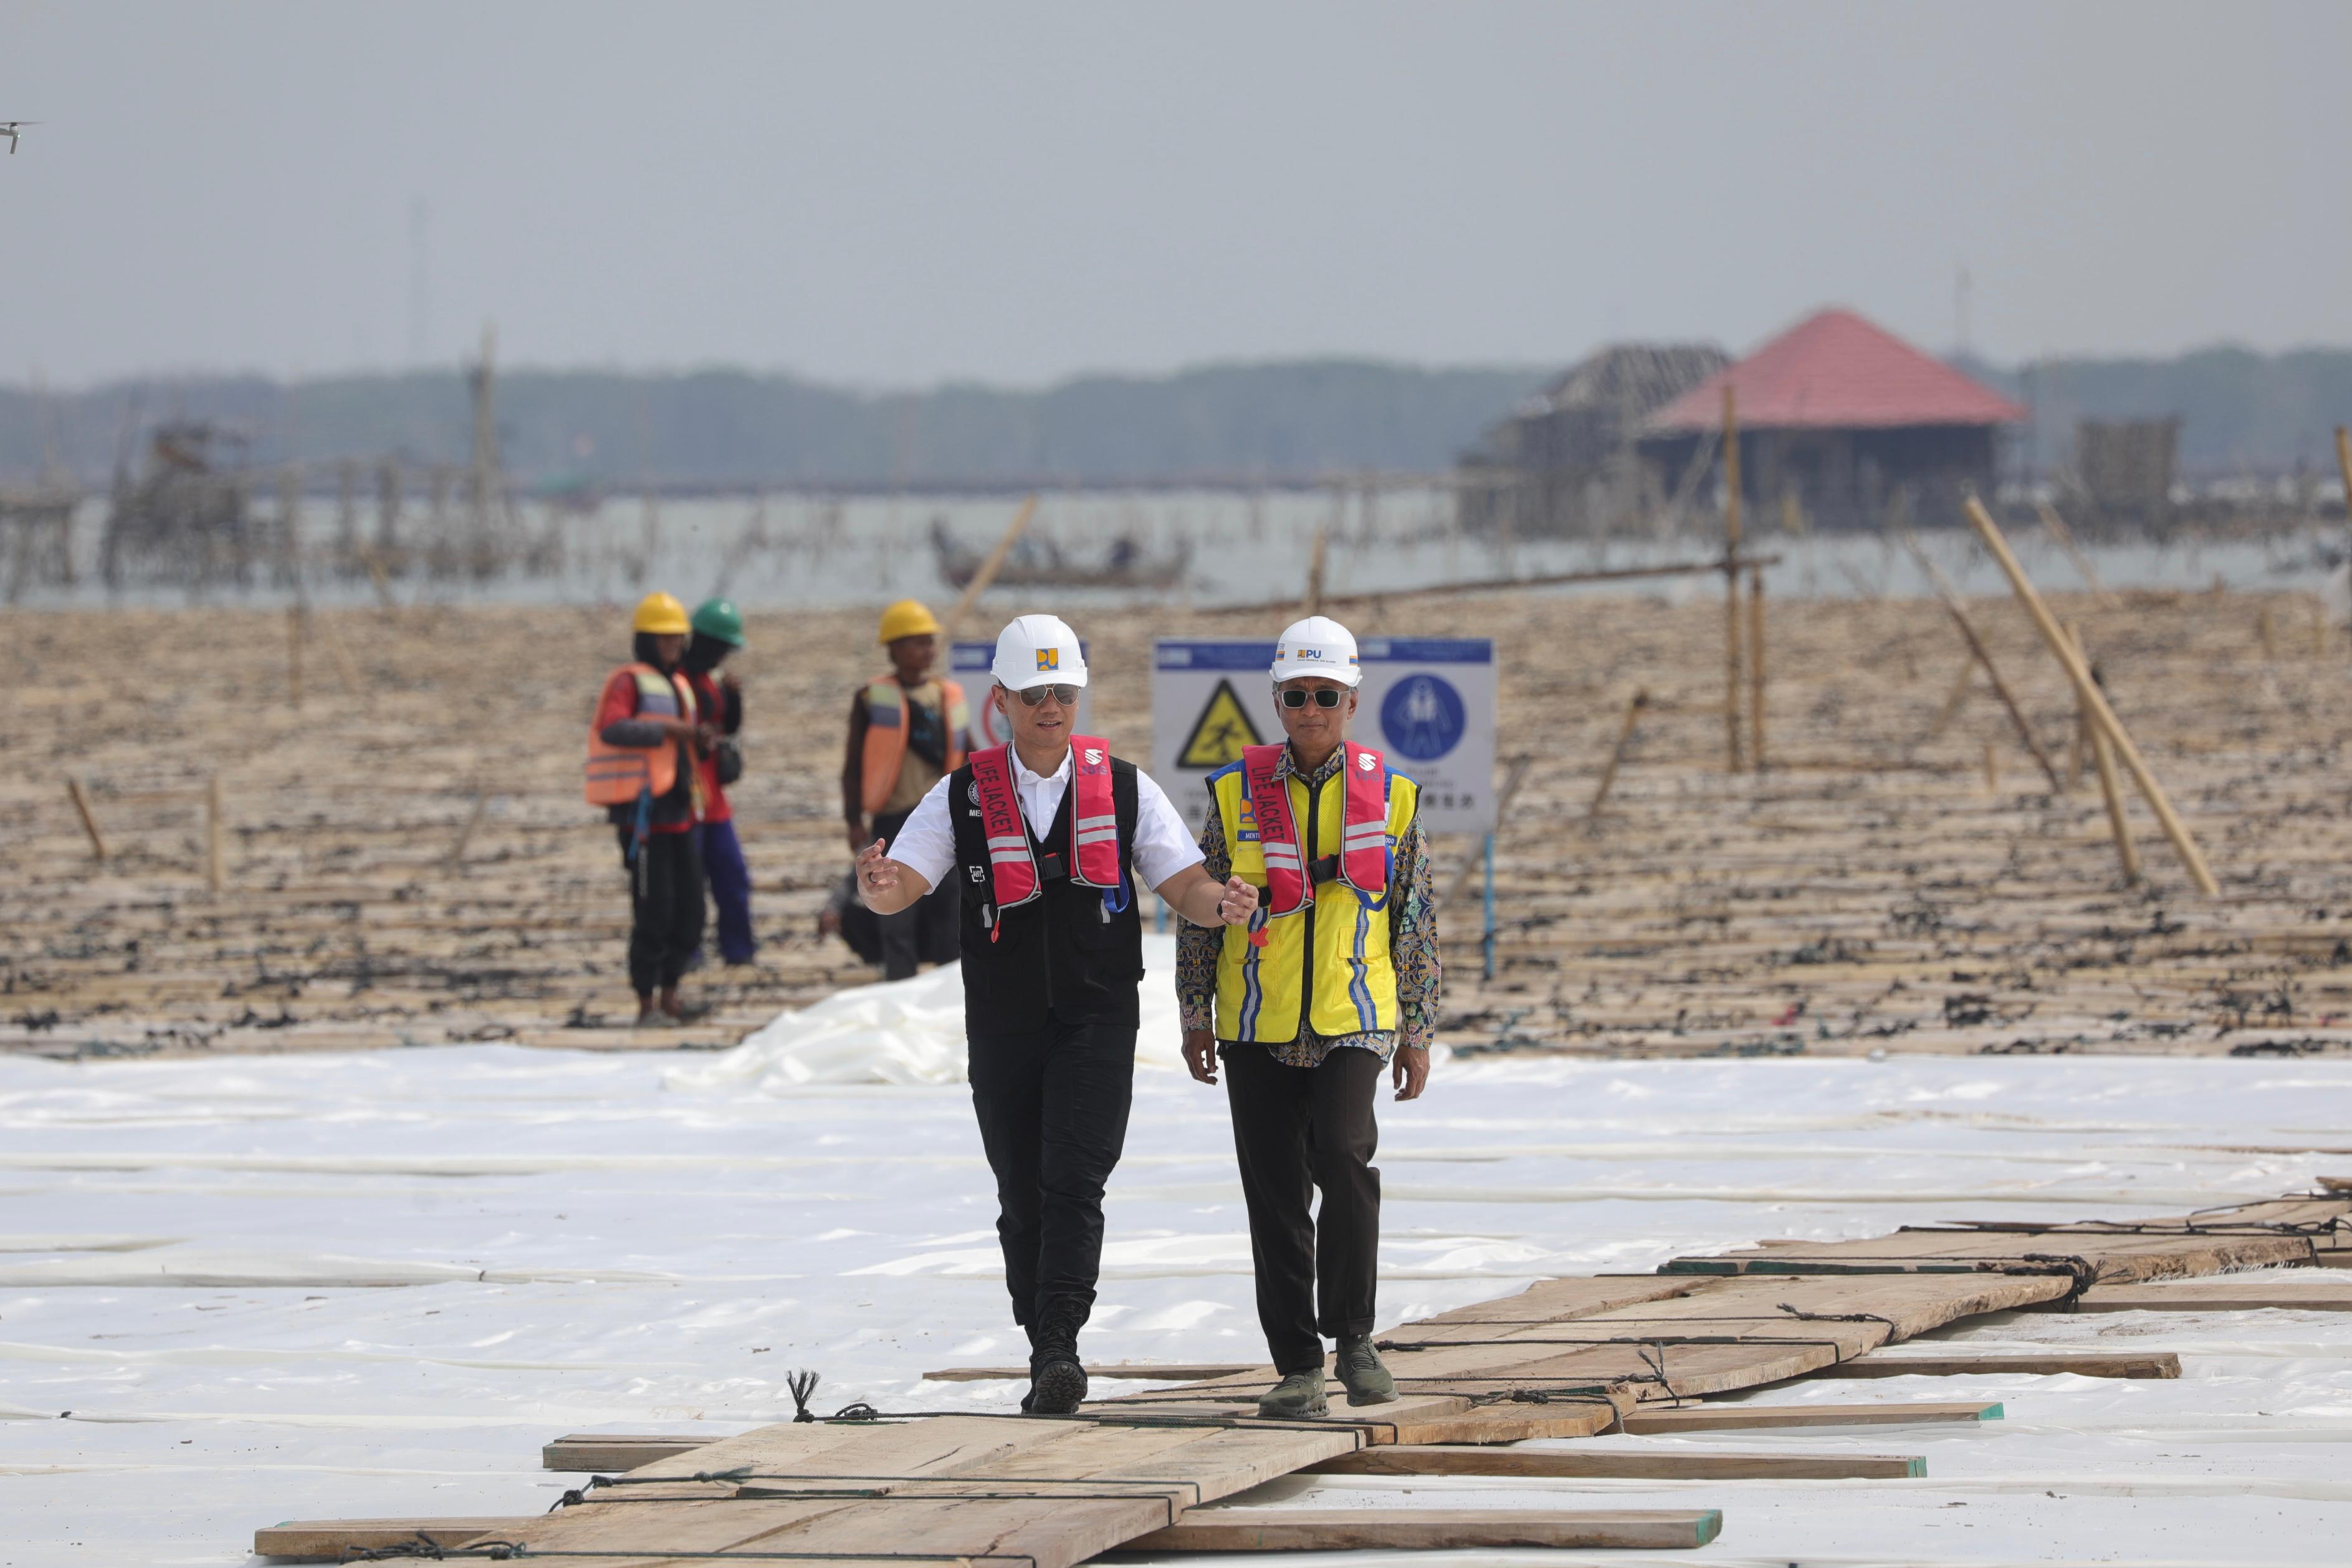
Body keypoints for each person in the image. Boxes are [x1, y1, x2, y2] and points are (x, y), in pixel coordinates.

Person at [856, 613, 1258, 1415]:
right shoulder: (962, 794)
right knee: (1021, 1189)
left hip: (1098, 1017)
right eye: (1036, 693)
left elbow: (1184, 884)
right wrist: (878, 885)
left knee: (1075, 1178)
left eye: (1064, 693)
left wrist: (1226, 903)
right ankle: (1042, 1337)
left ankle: (1060, 1344)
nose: (1052, 707)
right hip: (1003, 1023)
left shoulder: (1124, 787)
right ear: (1001, 699)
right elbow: (905, 883)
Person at [1176, 614, 1440, 1419]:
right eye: (1296, 695)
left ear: (1352, 701)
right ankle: (1296, 1365)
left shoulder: (1391, 797)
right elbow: (1196, 911)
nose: (1310, 709)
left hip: (1353, 1015)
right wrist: (1194, 1012)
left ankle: (1354, 1340)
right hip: (1255, 1020)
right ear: (1276, 700)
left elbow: (1414, 918)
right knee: (1274, 1193)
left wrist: (1418, 1030)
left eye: (1325, 695)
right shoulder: (1232, 794)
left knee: (1343, 1159)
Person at [584, 592, 715, 1027]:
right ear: (645, 641)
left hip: (680, 813)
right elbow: (613, 727)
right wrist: (671, 729)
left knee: (691, 912)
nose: (674, 647)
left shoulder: (680, 684)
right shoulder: (629, 682)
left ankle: (672, 995)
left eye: (678, 639)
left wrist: (700, 737)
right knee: (653, 911)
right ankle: (646, 1004)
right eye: (665, 640)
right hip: (644, 818)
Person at [841, 599, 966, 980]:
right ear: (893, 649)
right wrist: (854, 821)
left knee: (949, 907)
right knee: (895, 910)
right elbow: (853, 765)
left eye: (930, 643)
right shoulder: (871, 698)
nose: (926, 651)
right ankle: (900, 984)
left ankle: (948, 989)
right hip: (892, 822)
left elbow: (972, 756)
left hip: (943, 819)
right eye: (916, 643)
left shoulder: (948, 697)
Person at [683, 597, 756, 965]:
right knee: (688, 885)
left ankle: (739, 951)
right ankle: (688, 953)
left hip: (714, 803)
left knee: (733, 878)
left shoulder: (713, 682)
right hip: (684, 801)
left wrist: (734, 699)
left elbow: (728, 729)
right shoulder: (677, 681)